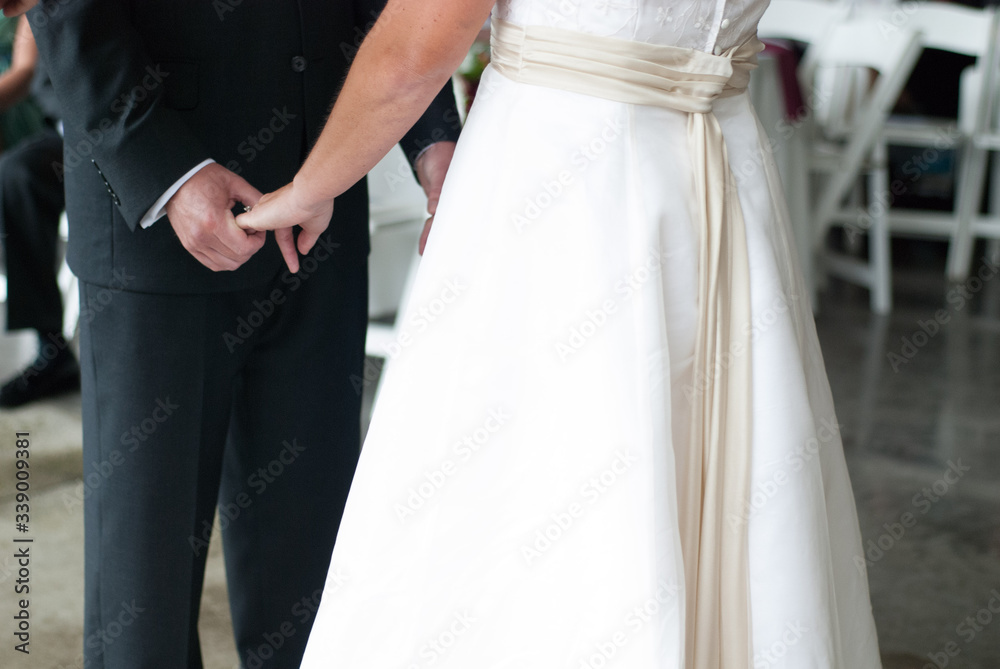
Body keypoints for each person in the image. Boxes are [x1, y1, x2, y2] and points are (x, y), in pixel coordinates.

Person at [240, 0, 884, 666]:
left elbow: (415, 48)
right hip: (720, 175)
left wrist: (311, 187)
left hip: (563, 186)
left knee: (528, 479)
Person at [7, 0, 460, 666]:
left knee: (311, 583)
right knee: (143, 601)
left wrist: (433, 138)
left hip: (321, 216)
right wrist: (169, 173)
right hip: (152, 233)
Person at [0, 18, 75, 408]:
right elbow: (25, 71)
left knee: (18, 175)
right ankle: (51, 348)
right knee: (16, 174)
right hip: (63, 136)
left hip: (111, 129)